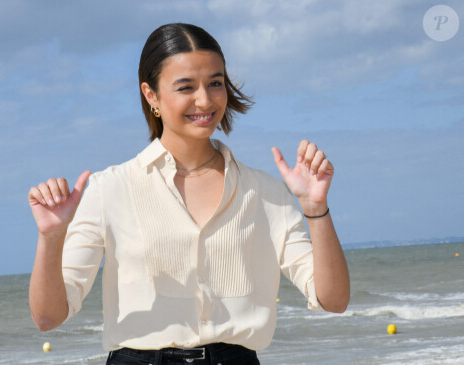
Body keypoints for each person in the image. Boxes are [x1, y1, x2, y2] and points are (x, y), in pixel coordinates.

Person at [28, 23, 350, 365]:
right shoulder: (110, 190)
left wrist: (316, 209)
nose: (205, 100)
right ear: (151, 95)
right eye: (186, 87)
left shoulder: (267, 193)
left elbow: (333, 300)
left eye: (215, 83)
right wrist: (51, 237)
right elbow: (49, 317)